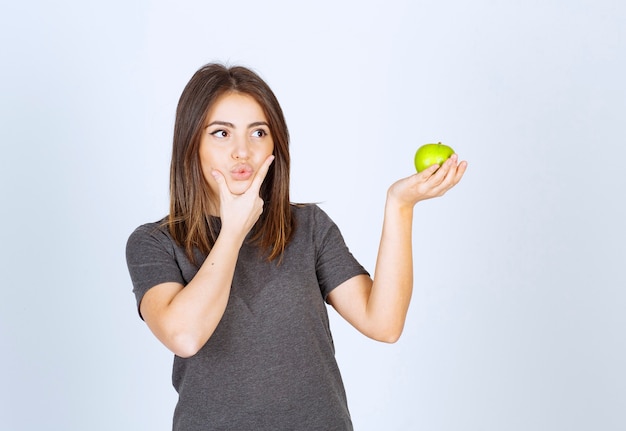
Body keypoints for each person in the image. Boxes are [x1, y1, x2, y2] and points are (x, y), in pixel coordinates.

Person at [126, 62, 467, 431]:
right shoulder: (154, 242)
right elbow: (185, 336)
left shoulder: (307, 227)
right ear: (192, 142)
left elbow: (383, 323)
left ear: (275, 143)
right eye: (221, 133)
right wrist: (233, 233)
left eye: (258, 132)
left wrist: (400, 205)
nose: (242, 151)